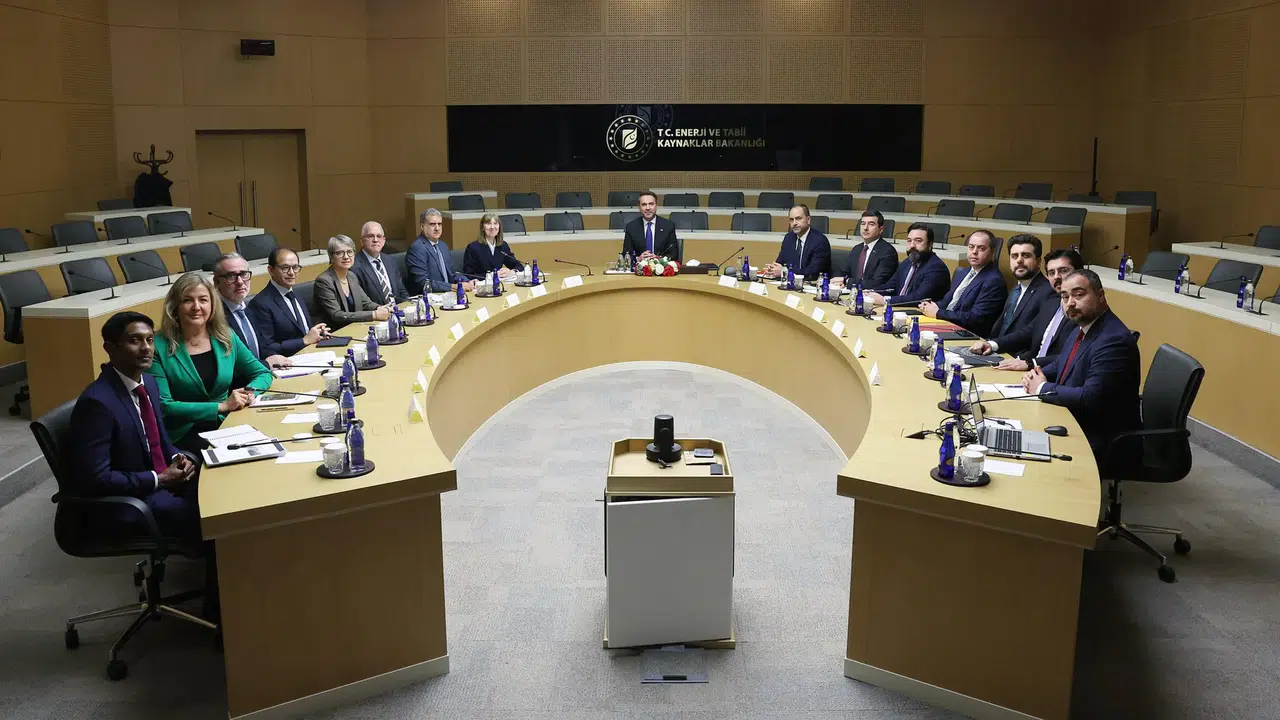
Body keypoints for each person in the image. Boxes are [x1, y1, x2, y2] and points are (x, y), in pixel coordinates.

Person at [70, 311, 198, 538]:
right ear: (110, 348)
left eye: (150, 340)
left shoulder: (149, 383)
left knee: (220, 489)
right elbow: (97, 478)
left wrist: (179, 458)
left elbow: (159, 442)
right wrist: (159, 478)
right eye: (135, 340)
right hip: (131, 499)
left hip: (160, 482)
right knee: (206, 513)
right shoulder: (97, 403)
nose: (146, 348)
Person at [1022, 269, 1142, 461]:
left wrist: (1042, 388)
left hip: (1100, 438)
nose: (1070, 303)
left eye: (1078, 295)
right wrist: (1035, 374)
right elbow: (1062, 363)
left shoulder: (1113, 340)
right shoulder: (1083, 327)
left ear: (1100, 295)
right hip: (1073, 420)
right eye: (1065, 297)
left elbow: (1090, 397)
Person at [151, 273, 275, 452]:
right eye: (187, 300)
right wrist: (221, 406)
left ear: (212, 305)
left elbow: (262, 373)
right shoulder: (157, 346)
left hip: (227, 422)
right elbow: (164, 405)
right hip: (184, 432)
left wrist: (249, 393)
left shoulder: (226, 337)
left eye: (203, 300)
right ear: (175, 306)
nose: (196, 307)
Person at [970, 247, 1082, 371]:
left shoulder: (1083, 311)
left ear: (1080, 273)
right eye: (1051, 273)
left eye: (1063, 271)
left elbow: (1072, 355)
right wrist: (992, 344)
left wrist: (1030, 363)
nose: (1056, 277)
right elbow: (1028, 332)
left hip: (1051, 375)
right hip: (1031, 370)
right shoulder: (1052, 302)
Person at [919, 230, 1008, 337]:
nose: (974, 252)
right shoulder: (963, 272)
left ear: (992, 252)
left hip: (968, 334)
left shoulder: (994, 281)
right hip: (946, 325)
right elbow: (948, 302)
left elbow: (975, 318)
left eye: (981, 248)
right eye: (971, 247)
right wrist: (931, 306)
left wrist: (938, 313)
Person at [211, 253, 291, 369]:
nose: (240, 282)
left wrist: (275, 358)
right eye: (231, 276)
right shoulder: (214, 318)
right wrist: (266, 364)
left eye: (244, 274)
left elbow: (261, 348)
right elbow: (230, 366)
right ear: (217, 282)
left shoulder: (248, 311)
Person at [247, 247, 329, 358]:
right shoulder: (260, 304)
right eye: (285, 268)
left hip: (311, 354)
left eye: (295, 267)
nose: (291, 273)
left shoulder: (295, 294)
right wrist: (304, 341)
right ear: (271, 270)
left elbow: (302, 330)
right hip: (287, 362)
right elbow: (267, 348)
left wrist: (317, 333)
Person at [313, 235, 392, 330]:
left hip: (355, 328)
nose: (346, 257)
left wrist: (379, 308)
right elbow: (337, 315)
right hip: (335, 333)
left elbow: (366, 303)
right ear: (331, 256)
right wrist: (374, 314)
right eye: (340, 253)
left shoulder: (351, 276)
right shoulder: (324, 281)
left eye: (349, 252)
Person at [863, 222, 950, 307]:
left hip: (920, 313)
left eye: (918, 241)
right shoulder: (907, 263)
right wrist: (870, 292)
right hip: (900, 309)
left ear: (930, 245)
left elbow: (919, 298)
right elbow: (889, 287)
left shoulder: (936, 268)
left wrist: (885, 300)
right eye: (909, 241)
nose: (912, 245)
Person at [406, 208, 474, 293]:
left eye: (439, 224)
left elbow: (452, 273)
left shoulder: (443, 245)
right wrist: (452, 287)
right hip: (429, 297)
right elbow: (423, 282)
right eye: (432, 224)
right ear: (422, 227)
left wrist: (468, 282)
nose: (437, 228)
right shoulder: (417, 248)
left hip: (448, 295)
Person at [833, 210, 897, 290]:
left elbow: (877, 283)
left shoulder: (887, 252)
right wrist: (838, 280)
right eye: (863, 224)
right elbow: (843, 272)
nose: (865, 228)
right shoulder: (857, 249)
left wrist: (847, 281)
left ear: (881, 229)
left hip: (873, 295)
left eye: (871, 224)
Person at [763, 205, 830, 281]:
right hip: (790, 283)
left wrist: (785, 271)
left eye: (798, 218)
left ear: (808, 220)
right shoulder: (789, 238)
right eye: (791, 220)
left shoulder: (820, 241)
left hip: (812, 284)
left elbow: (813, 273)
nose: (794, 223)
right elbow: (780, 262)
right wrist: (773, 269)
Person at [352, 221, 408, 305]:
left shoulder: (390, 260)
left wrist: (408, 306)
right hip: (376, 311)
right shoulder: (354, 266)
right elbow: (361, 302)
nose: (375, 240)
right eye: (370, 236)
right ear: (362, 241)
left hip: (398, 309)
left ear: (384, 240)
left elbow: (401, 291)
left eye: (379, 236)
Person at [463, 213, 524, 279]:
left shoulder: (503, 245)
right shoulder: (473, 248)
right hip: (483, 283)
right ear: (482, 227)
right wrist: (491, 275)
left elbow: (519, 266)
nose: (492, 227)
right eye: (488, 224)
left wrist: (512, 272)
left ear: (499, 227)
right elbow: (468, 274)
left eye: (495, 223)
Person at [621, 191, 680, 260]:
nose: (648, 208)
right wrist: (638, 258)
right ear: (639, 207)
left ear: (656, 206)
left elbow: (674, 254)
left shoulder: (668, 226)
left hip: (661, 266)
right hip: (639, 266)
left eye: (651, 204)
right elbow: (626, 254)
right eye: (644, 204)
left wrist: (659, 259)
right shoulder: (631, 227)